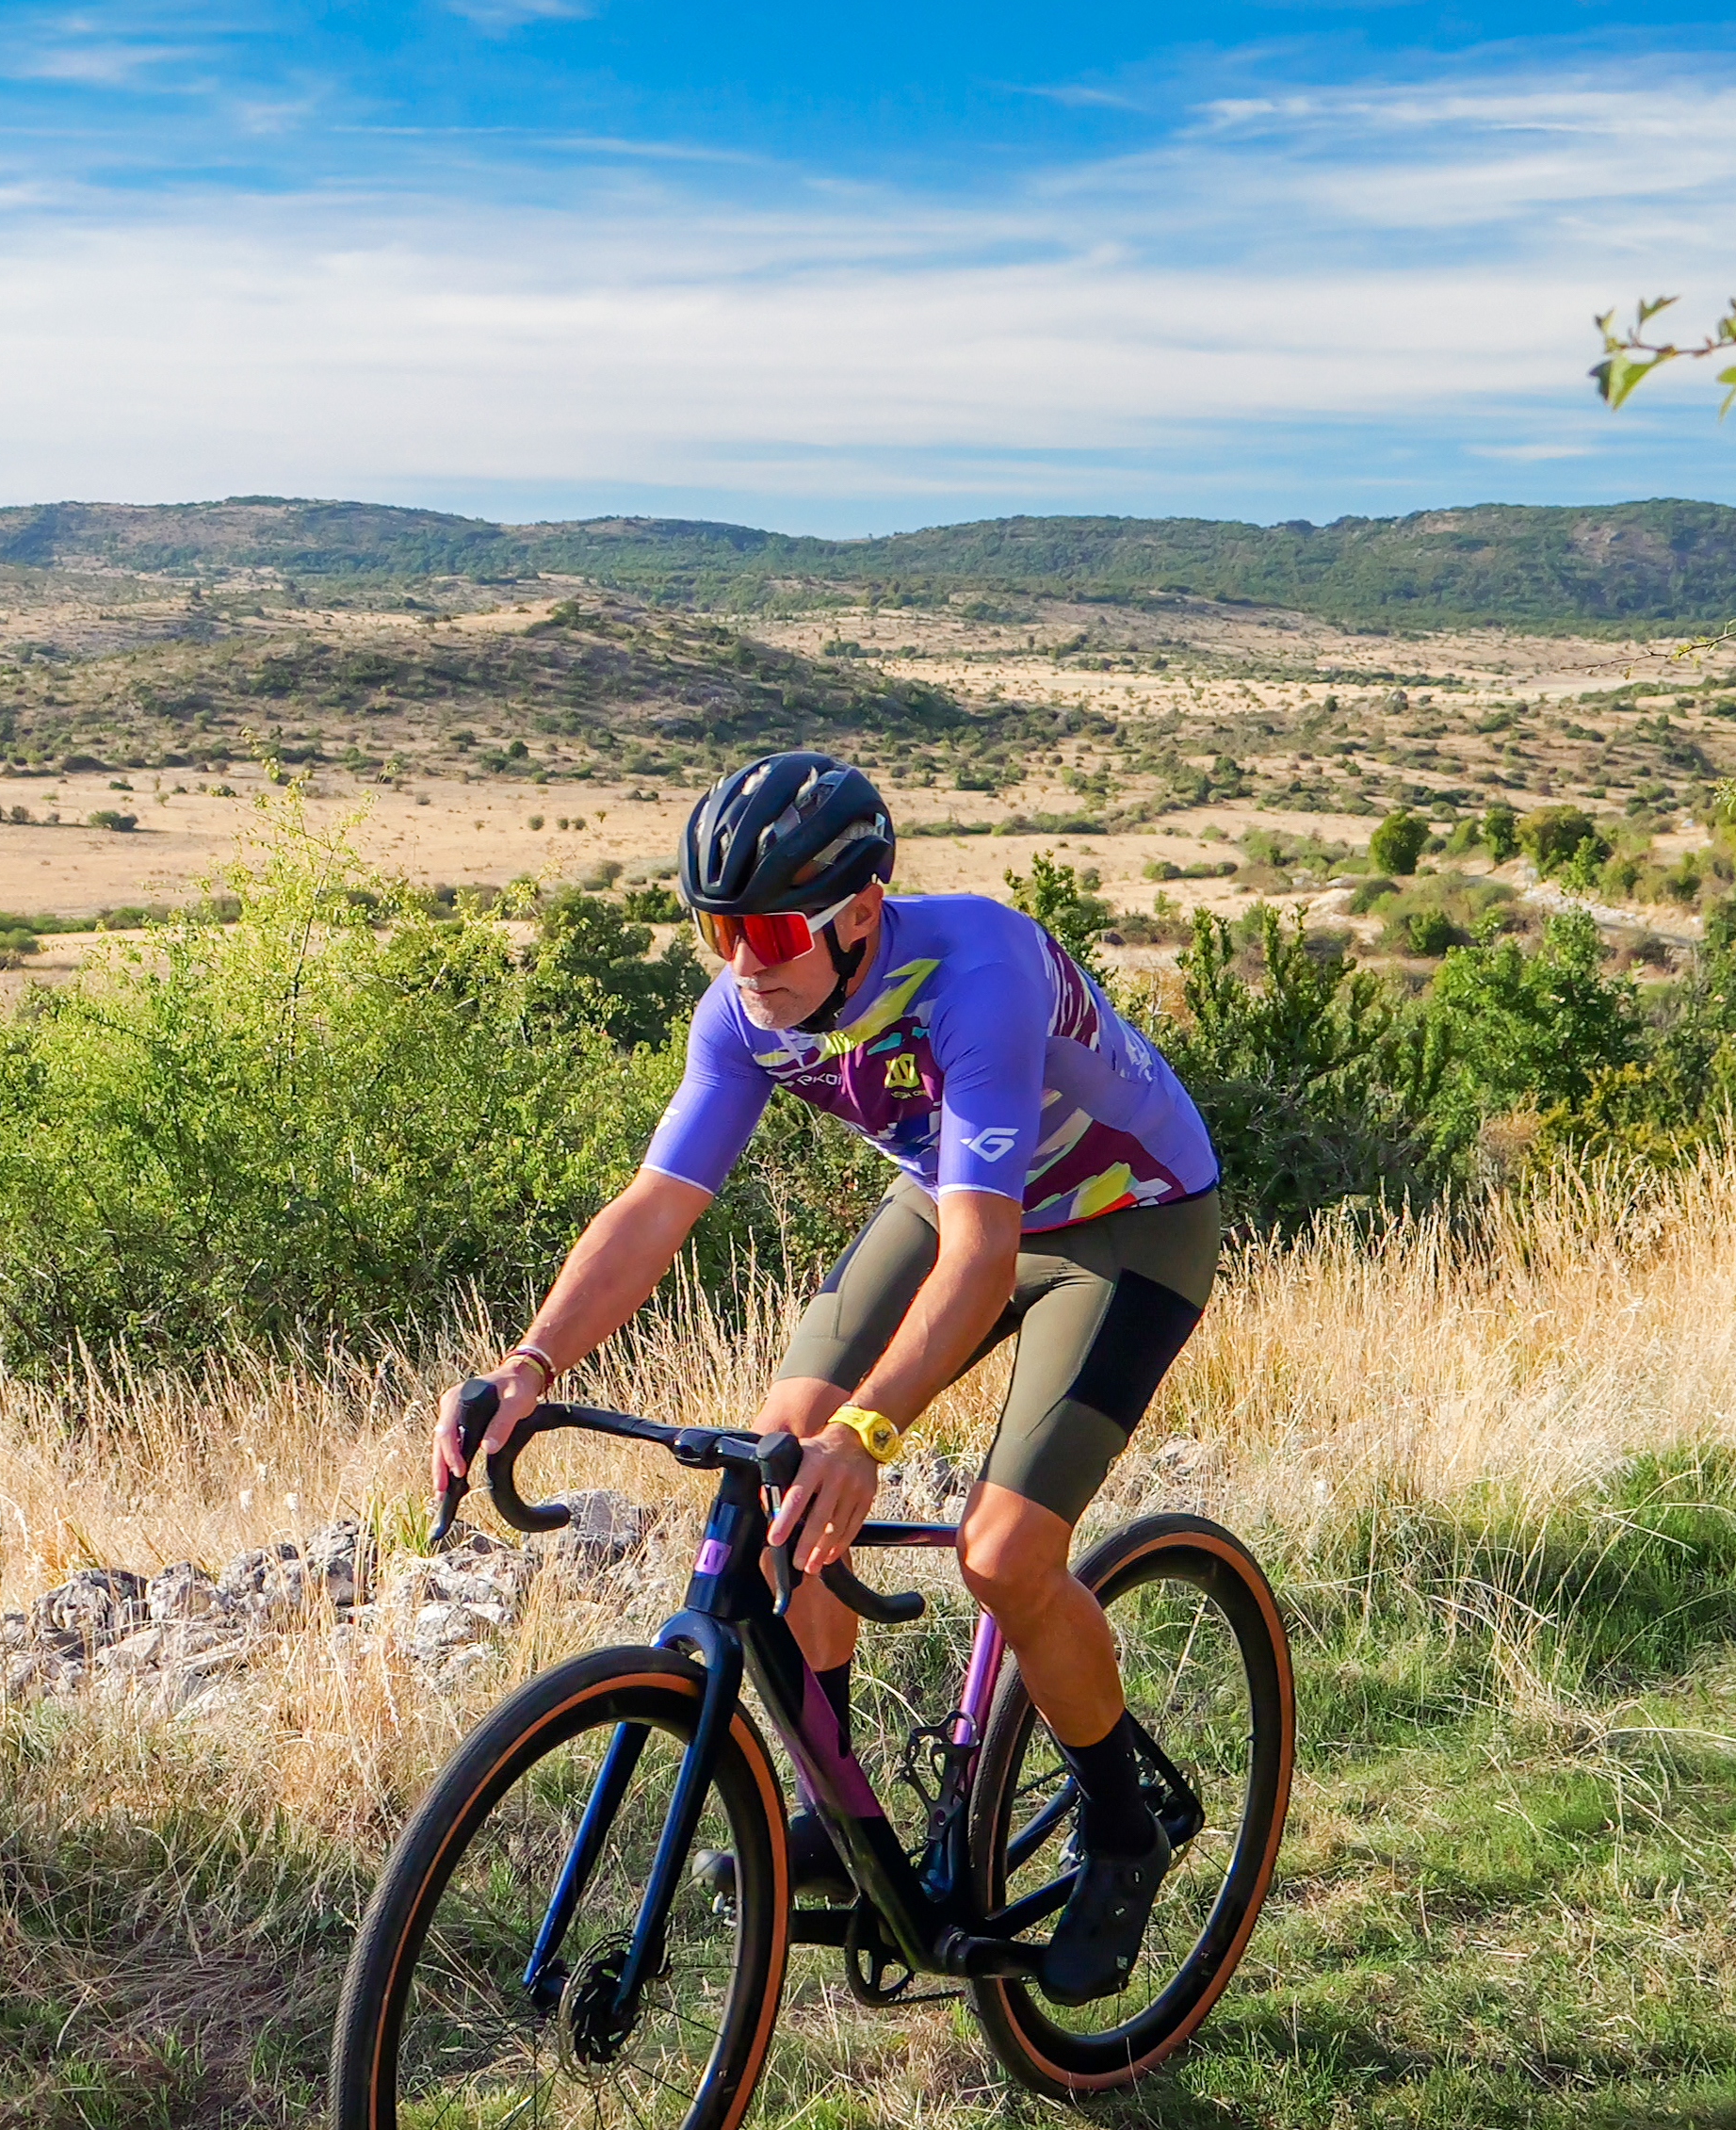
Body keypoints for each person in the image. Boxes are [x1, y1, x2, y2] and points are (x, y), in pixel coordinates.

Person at [440, 750, 1226, 2002]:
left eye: (764, 929)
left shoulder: (975, 970)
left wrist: (866, 1433)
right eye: (712, 930)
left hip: (1126, 1220)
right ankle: (835, 1809)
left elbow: (979, 1260)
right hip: (955, 1200)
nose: (741, 961)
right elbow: (655, 1204)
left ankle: (1122, 1827)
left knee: (1000, 1552)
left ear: (860, 910)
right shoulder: (741, 1012)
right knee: (774, 1469)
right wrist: (530, 1361)